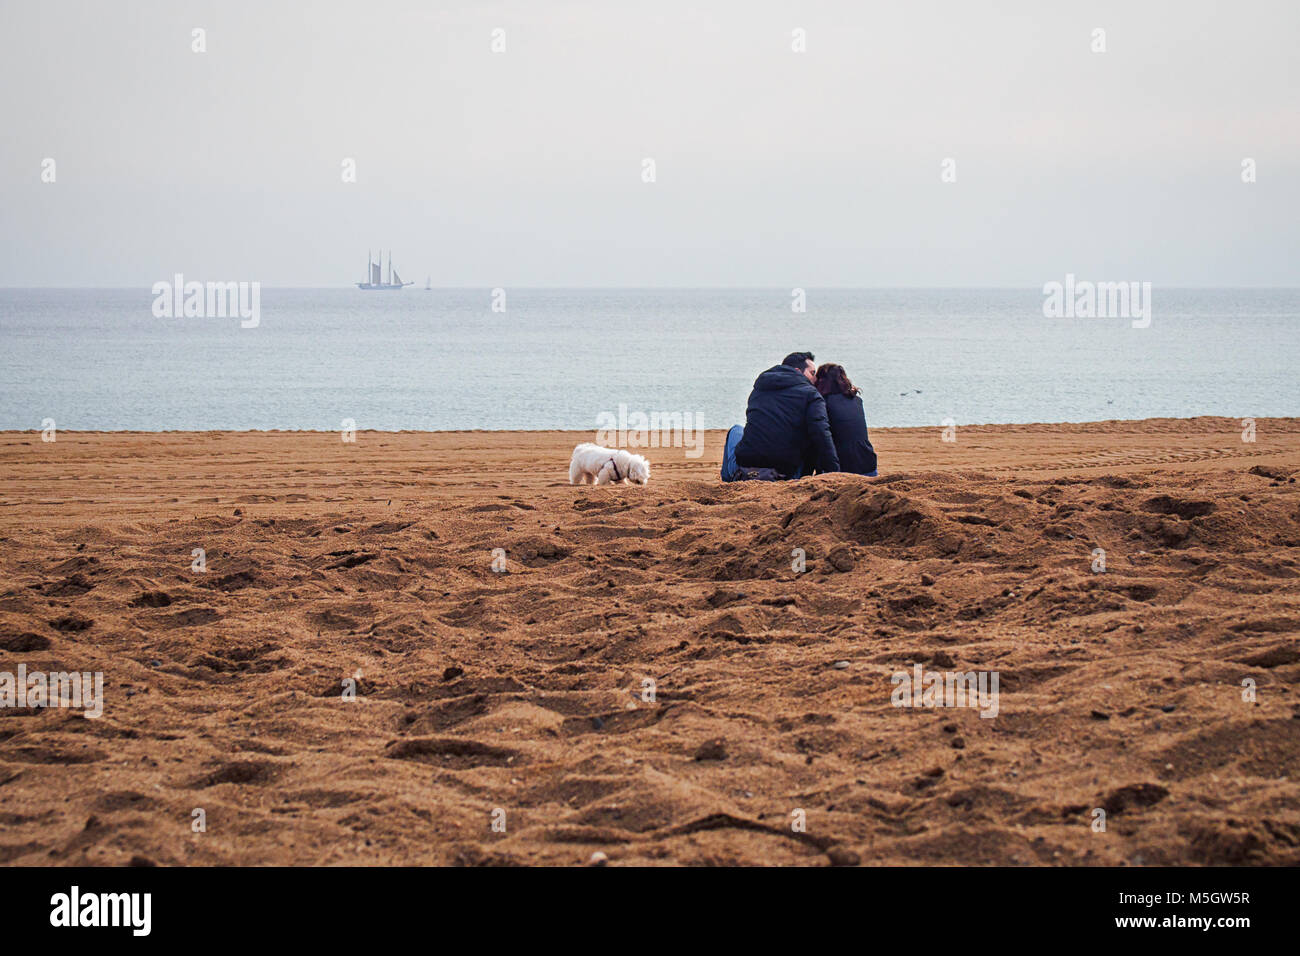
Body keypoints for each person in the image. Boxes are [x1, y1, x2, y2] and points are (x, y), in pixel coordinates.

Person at [721, 352, 839, 481]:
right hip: (784, 474)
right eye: (812, 373)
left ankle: (728, 481)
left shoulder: (759, 389)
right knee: (811, 433)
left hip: (744, 470)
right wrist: (833, 472)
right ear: (797, 371)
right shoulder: (811, 394)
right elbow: (821, 433)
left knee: (736, 430)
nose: (815, 379)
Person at [813, 363, 878, 476]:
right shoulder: (856, 400)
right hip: (867, 461)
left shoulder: (822, 403)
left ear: (821, 381)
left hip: (843, 465)